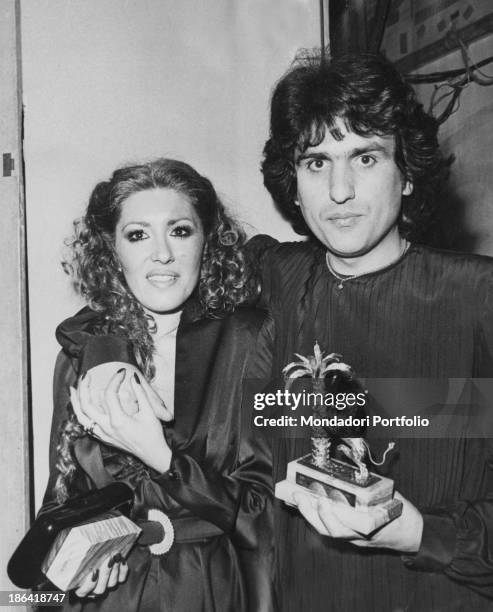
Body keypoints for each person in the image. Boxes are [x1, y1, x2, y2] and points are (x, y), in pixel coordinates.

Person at [256, 52, 493, 611]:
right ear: (292, 183)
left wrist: (418, 532)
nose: (339, 190)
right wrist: (103, 351)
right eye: (316, 162)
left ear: (408, 173)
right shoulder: (284, 278)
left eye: (364, 157)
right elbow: (173, 264)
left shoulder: (477, 297)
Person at [38, 158, 275, 611]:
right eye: (138, 234)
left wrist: (161, 457)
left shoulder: (250, 340)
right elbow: (60, 502)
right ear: (112, 250)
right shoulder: (80, 358)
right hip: (111, 598)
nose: (162, 253)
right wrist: (77, 564)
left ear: (207, 241)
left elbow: (264, 515)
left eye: (180, 231)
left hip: (210, 590)